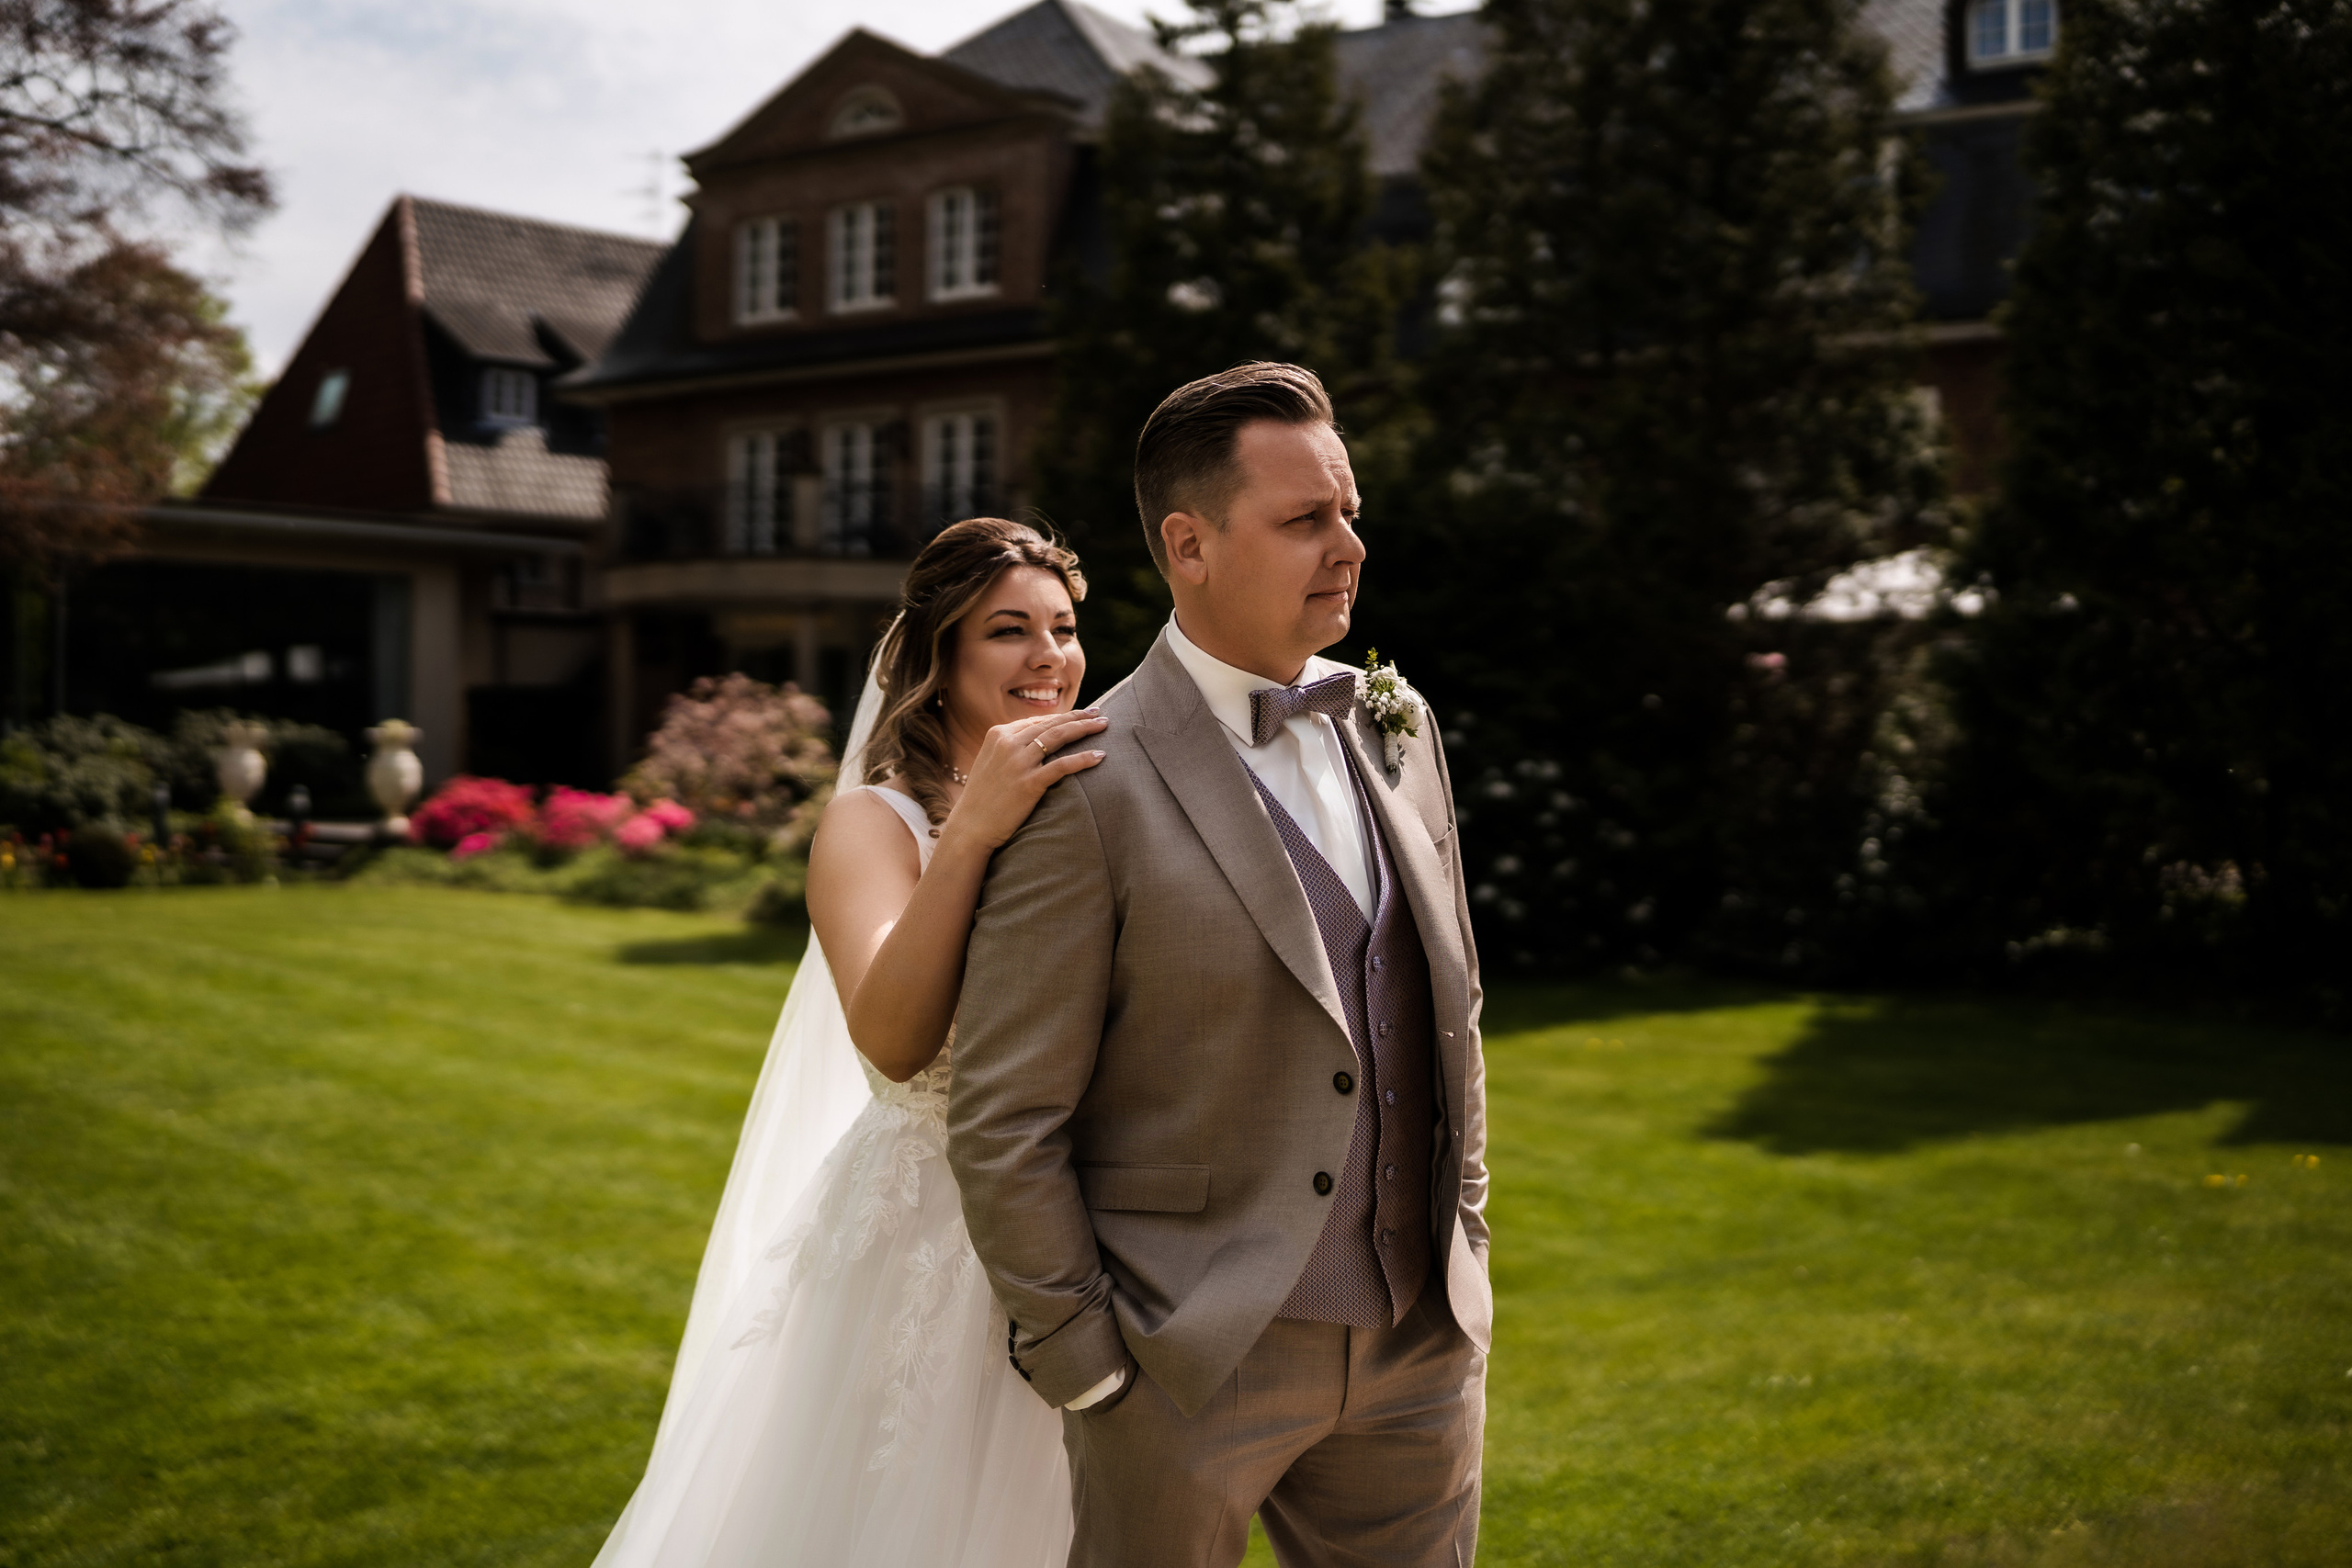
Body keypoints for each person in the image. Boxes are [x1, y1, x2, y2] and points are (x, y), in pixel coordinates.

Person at [948, 363, 1492, 1567]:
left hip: (1420, 1351)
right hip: (1186, 1363)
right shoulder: (1084, 783)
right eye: (1305, 519)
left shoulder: (1398, 729)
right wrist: (1088, 1365)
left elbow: (1451, 1010)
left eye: (1349, 510)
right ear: (1188, 545)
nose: (1349, 545)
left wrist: (1466, 1244)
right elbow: (1005, 1116)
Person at [592, 517, 1105, 1568]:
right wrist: (972, 829)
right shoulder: (874, 825)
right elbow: (890, 1037)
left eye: (1061, 627)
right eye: (1009, 630)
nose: (1049, 655)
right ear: (939, 657)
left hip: (1094, 1228)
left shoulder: (1093, 797)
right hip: (935, 1236)